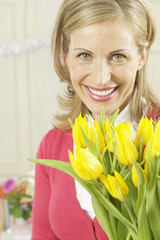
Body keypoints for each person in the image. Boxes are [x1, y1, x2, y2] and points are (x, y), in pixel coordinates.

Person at [31, 0, 160, 239]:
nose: (101, 78)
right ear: (65, 56)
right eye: (84, 55)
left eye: (118, 56)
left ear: (141, 56)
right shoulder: (53, 145)